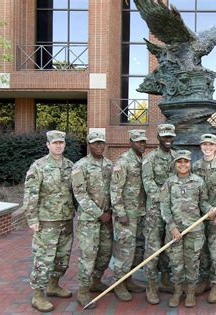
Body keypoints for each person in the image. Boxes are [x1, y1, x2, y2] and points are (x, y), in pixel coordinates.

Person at [23, 130, 76, 312]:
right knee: (43, 259)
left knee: (63, 258)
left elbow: (76, 192)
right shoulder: (38, 166)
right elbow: (30, 195)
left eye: (61, 142)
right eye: (55, 143)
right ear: (48, 145)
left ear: (65, 144)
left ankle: (53, 285)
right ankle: (38, 295)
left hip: (66, 218)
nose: (58, 145)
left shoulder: (71, 166)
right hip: (47, 221)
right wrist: (32, 218)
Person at [160, 150, 213, 308]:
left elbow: (203, 203)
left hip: (194, 229)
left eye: (186, 161)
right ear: (175, 164)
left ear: (190, 163)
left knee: (192, 262)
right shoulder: (169, 183)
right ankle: (177, 292)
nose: (183, 165)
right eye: (179, 162)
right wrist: (172, 226)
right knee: (176, 263)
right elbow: (164, 207)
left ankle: (190, 292)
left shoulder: (198, 182)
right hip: (175, 231)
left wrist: (210, 210)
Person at [71, 130, 113, 309]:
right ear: (89, 144)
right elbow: (80, 194)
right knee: (88, 256)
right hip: (89, 220)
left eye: (102, 143)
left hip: (107, 218)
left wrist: (111, 210)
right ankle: (83, 290)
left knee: (105, 253)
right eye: (95, 143)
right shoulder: (80, 166)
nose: (99, 146)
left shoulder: (110, 165)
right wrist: (99, 213)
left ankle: (96, 281)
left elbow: (114, 190)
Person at [192, 134, 216, 303]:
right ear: (201, 146)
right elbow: (195, 192)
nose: (207, 147)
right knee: (203, 252)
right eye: (205, 144)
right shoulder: (195, 167)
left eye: (211, 145)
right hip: (200, 217)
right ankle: (204, 280)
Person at [110, 129, 148, 302]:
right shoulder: (123, 161)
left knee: (137, 248)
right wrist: (120, 212)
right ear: (130, 142)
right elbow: (115, 189)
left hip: (140, 213)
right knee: (124, 249)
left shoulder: (142, 160)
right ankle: (119, 283)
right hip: (126, 215)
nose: (141, 144)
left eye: (143, 141)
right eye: (138, 141)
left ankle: (129, 279)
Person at [141, 123, 176, 304]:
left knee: (169, 247)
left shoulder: (177, 158)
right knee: (153, 248)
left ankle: (165, 279)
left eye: (170, 136)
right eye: (165, 136)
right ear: (158, 137)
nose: (168, 140)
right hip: (155, 211)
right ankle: (151, 285)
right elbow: (148, 185)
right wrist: (167, 197)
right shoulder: (150, 158)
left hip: (172, 212)